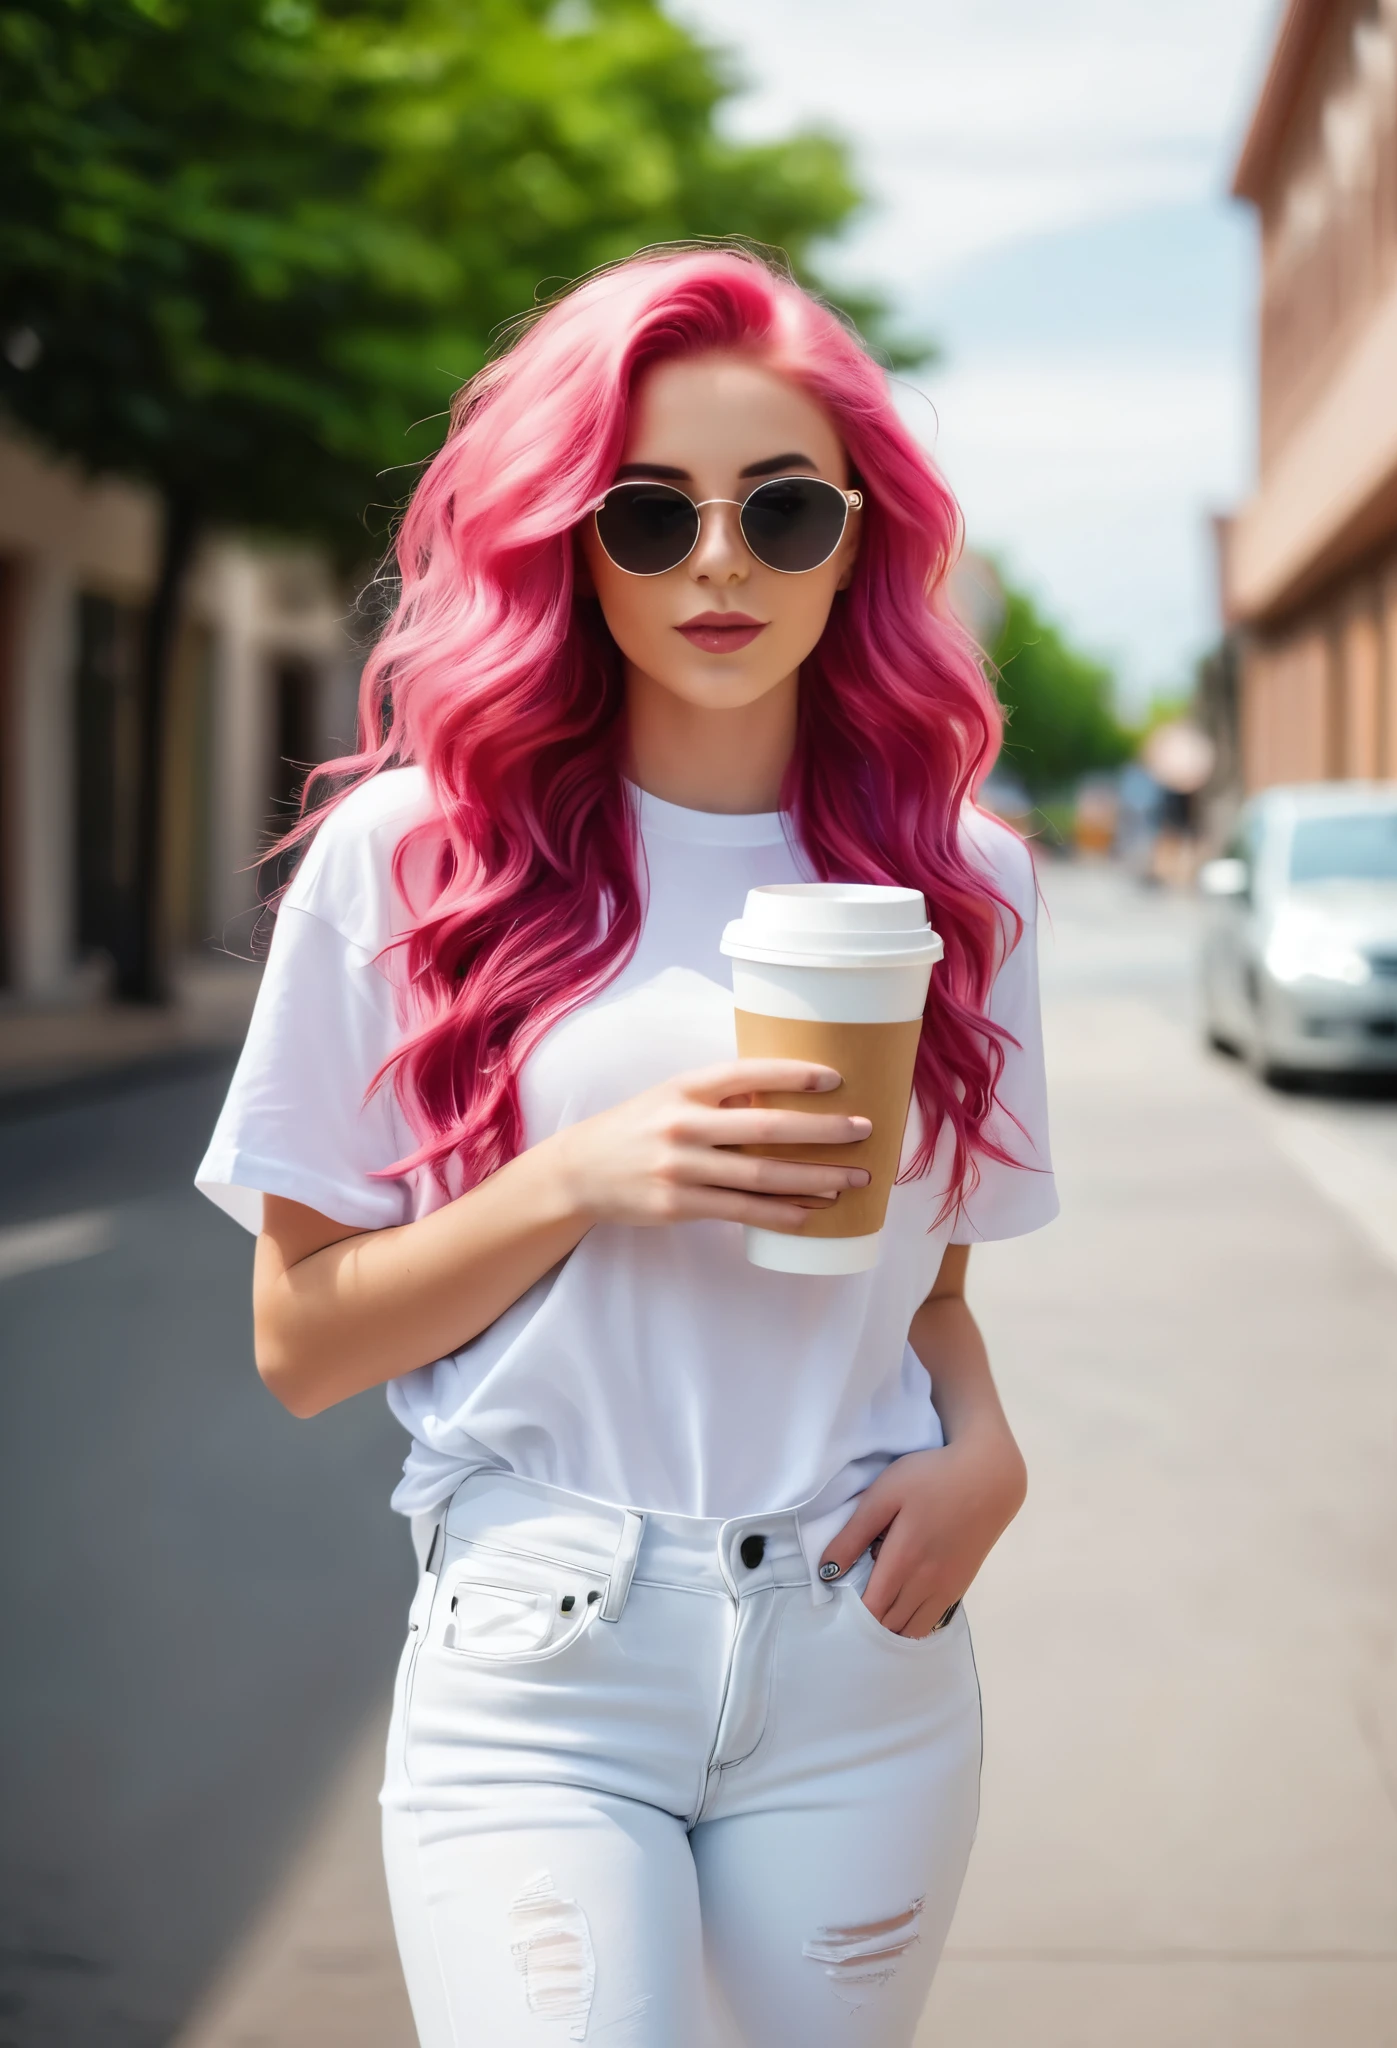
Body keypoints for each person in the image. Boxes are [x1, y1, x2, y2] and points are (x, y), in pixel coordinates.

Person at [196, 245, 1056, 2048]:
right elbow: (301, 1340)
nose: (721, 561)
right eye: (648, 514)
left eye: (783, 509)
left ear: (859, 537)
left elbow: (930, 1288)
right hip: (542, 1664)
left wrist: (989, 1453)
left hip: (862, 1653)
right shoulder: (420, 859)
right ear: (565, 541)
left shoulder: (962, 883)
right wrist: (580, 1179)